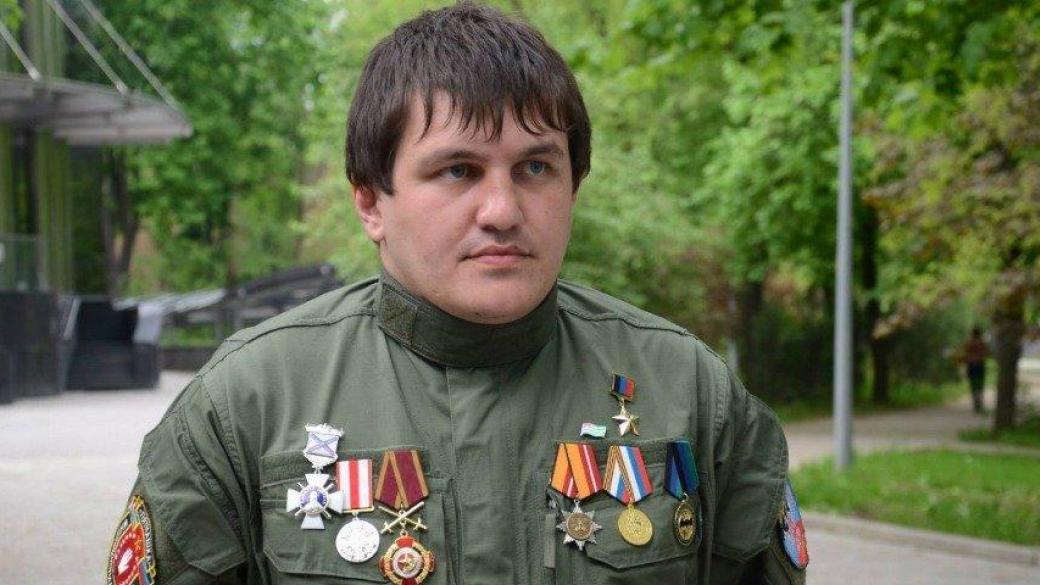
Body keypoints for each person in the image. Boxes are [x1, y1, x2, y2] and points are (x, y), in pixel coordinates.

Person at [106, 4, 807, 585]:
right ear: (370, 201)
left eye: (535, 167)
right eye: (457, 170)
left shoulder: (689, 390)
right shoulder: (248, 402)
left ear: (574, 186)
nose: (502, 210)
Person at [959, 327, 991, 413]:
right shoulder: (982, 343)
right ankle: (979, 402)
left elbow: (963, 354)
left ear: (972, 334)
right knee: (980, 383)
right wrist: (981, 355)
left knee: (973, 383)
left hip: (971, 365)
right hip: (980, 364)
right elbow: (988, 353)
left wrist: (967, 358)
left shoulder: (968, 343)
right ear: (979, 334)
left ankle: (975, 402)